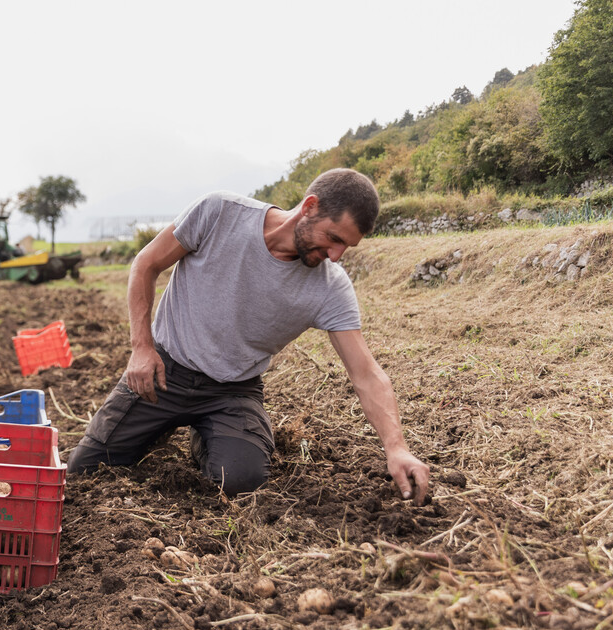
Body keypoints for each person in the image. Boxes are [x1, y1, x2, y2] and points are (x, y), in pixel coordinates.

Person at [67, 168, 430, 503]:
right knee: (86, 469)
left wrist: (396, 447)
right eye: (333, 238)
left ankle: (207, 434)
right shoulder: (220, 212)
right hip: (165, 370)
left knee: (241, 481)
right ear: (309, 207)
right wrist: (142, 347)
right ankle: (159, 425)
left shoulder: (330, 288)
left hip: (232, 391)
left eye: (346, 247)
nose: (336, 255)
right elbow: (146, 264)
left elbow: (365, 373)